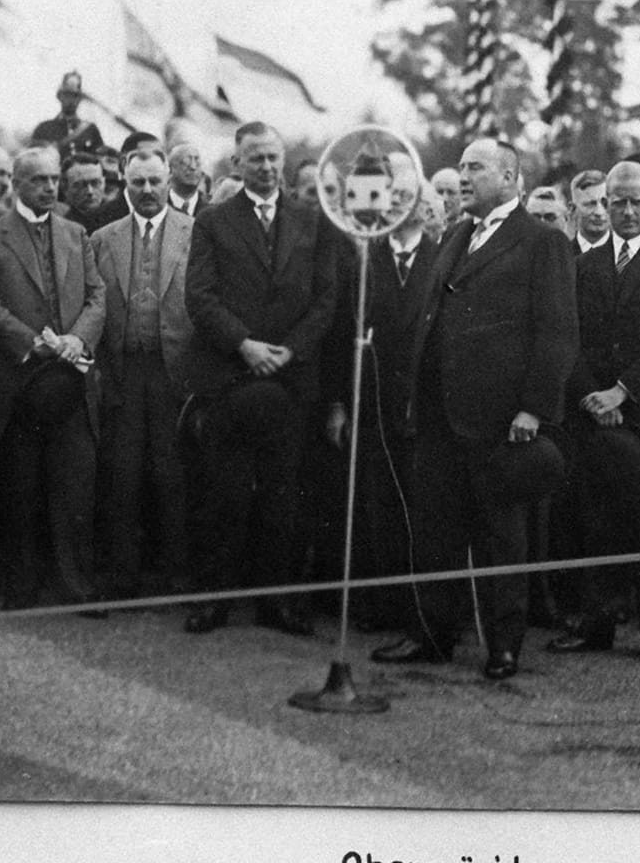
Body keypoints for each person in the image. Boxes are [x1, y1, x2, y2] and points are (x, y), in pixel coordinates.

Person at [370, 138, 576, 681]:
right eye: (461, 166)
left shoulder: (541, 243)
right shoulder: (456, 234)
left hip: (500, 419)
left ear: (510, 176)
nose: (463, 176)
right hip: (440, 413)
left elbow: (557, 332)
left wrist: (534, 408)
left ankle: (503, 644)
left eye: (475, 167)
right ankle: (433, 633)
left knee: (500, 533)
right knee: (436, 530)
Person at [182, 122, 339, 636]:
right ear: (237, 163)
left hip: (292, 381)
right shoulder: (213, 220)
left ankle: (277, 603)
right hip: (231, 376)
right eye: (256, 159)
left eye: (274, 157)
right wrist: (246, 346)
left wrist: (289, 350)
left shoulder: (312, 220)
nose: (267, 167)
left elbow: (325, 300)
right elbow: (200, 297)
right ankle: (215, 600)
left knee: (283, 499)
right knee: (224, 495)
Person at [546, 160, 640, 667]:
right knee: (596, 521)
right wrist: (593, 396)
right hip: (594, 416)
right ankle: (597, 626)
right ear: (603, 205)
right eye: (618, 202)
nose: (628, 212)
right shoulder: (581, 266)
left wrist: (622, 392)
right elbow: (570, 338)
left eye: (638, 202)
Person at [0, 146, 106, 609]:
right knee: (20, 486)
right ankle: (20, 587)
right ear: (19, 184)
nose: (49, 187)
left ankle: (76, 586)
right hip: (17, 381)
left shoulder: (75, 232)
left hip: (70, 380)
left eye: (53, 179)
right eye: (38, 180)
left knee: (74, 485)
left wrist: (77, 340)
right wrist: (36, 342)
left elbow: (96, 296)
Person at [323, 195, 443, 631]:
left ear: (423, 207)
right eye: (390, 199)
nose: (398, 206)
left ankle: (423, 613)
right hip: (371, 405)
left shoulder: (443, 259)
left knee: (422, 510)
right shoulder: (365, 262)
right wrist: (339, 404)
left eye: (407, 198)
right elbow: (342, 335)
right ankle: (381, 607)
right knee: (376, 508)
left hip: (423, 408)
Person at [91, 149, 197, 597]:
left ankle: (176, 574)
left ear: (169, 179)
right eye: (139, 183)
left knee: (173, 473)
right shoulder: (102, 239)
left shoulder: (197, 234)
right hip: (124, 370)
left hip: (176, 372)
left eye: (155, 181)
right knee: (123, 473)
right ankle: (123, 576)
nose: (148, 191)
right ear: (124, 182)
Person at [31, 70, 106, 162]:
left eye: (75, 96)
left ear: (80, 99)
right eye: (67, 95)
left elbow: (101, 160)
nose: (71, 100)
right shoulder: (43, 129)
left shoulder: (90, 130)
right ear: (60, 97)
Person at [62, 150, 109, 225]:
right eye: (80, 185)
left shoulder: (120, 219)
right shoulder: (62, 228)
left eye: (95, 183)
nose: (90, 191)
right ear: (65, 189)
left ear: (104, 183)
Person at [568, 169, 610, 254]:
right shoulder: (562, 256)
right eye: (590, 204)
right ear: (572, 209)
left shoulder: (624, 256)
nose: (599, 212)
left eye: (605, 203)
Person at [166, 140, 209, 216]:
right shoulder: (159, 208)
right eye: (185, 162)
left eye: (197, 162)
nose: (193, 167)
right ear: (171, 168)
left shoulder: (212, 213)